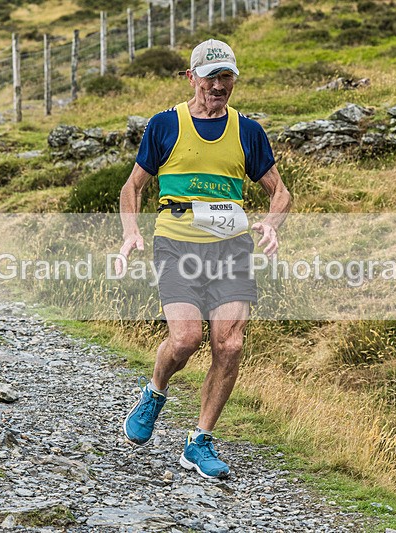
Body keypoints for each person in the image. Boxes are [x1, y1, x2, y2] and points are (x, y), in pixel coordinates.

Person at [116, 38, 291, 479]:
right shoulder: (165, 125)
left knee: (229, 344)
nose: (218, 85)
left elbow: (281, 192)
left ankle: (199, 442)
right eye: (210, 76)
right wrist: (132, 232)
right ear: (191, 77)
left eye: (226, 76)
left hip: (231, 246)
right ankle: (155, 392)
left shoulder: (247, 131)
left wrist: (272, 222)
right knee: (185, 340)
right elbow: (132, 187)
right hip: (176, 242)